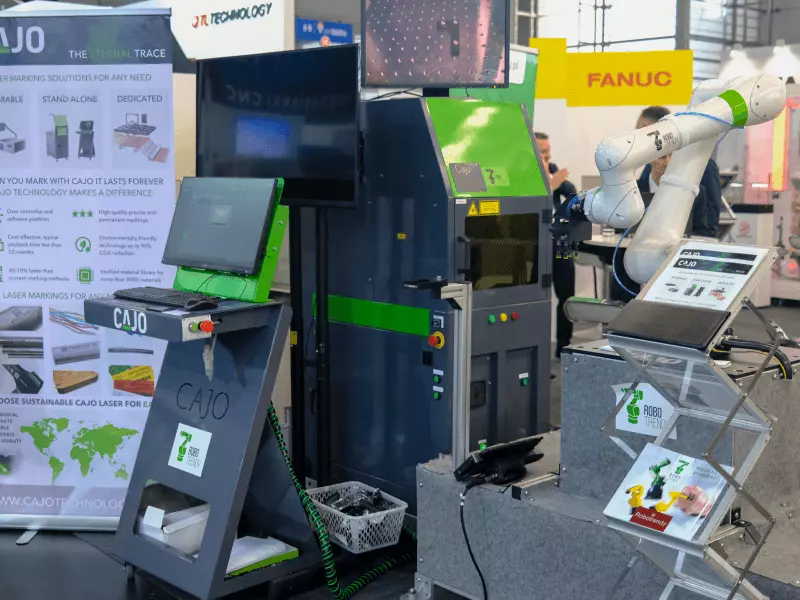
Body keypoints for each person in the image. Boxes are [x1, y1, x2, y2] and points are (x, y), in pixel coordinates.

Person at [535, 132, 577, 358]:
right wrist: (550, 184)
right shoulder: (522, 172)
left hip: (558, 241)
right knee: (537, 298)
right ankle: (537, 349)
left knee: (566, 295)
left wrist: (553, 179)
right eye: (542, 153)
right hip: (535, 244)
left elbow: (570, 190)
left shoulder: (552, 170)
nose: (546, 159)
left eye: (548, 154)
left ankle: (563, 344)